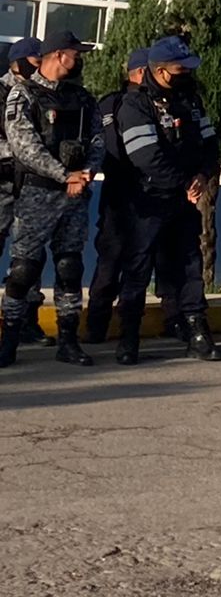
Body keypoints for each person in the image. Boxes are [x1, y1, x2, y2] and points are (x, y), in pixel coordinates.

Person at [113, 35, 221, 366]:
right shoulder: (135, 104)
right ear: (160, 71)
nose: (187, 74)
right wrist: (182, 184)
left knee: (190, 266)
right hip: (147, 202)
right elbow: (146, 155)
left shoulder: (190, 100)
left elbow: (209, 143)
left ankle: (196, 332)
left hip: (185, 200)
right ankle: (128, 338)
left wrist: (203, 176)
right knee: (137, 268)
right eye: (181, 69)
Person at [0, 30, 104, 367]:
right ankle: (10, 339)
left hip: (75, 195)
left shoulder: (84, 99)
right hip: (37, 194)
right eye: (77, 53)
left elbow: (98, 139)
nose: (80, 60)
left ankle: (69, 341)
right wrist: (64, 175)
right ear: (60, 55)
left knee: (70, 266)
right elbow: (23, 146)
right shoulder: (23, 95)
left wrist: (85, 172)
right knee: (23, 270)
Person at [83, 48, 164, 343]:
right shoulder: (113, 104)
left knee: (135, 266)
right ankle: (97, 327)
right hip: (123, 192)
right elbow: (111, 148)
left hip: (146, 193)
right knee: (113, 263)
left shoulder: (160, 104)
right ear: (142, 73)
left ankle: (125, 331)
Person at [0, 37, 50, 344]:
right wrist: (25, 153)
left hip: (32, 187)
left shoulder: (43, 95)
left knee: (30, 257)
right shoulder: (1, 92)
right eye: (34, 62)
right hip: (3, 184)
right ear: (17, 63)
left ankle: (26, 321)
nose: (38, 68)